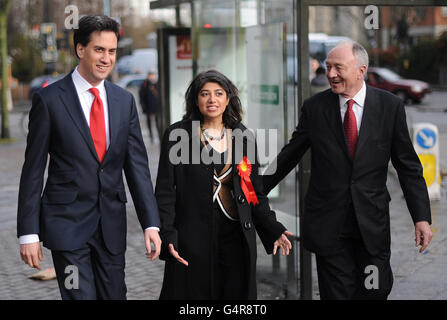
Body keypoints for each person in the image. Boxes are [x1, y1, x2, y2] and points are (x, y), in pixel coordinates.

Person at [263, 41, 433, 300]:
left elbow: (407, 166)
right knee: (337, 295)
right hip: (329, 226)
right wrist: (253, 187)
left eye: (337, 67)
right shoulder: (315, 108)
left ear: (360, 70)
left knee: (375, 290)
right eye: (328, 67)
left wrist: (421, 217)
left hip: (372, 225)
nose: (330, 74)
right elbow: (289, 155)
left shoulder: (390, 107)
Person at [17, 15, 161, 300]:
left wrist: (151, 223)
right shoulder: (50, 100)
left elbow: (137, 168)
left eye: (111, 51)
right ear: (80, 49)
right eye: (99, 50)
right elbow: (33, 170)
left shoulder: (124, 101)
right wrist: (28, 233)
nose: (106, 58)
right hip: (66, 227)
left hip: (111, 228)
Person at [155, 70, 292, 300]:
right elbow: (165, 192)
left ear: (228, 99)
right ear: (195, 100)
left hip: (235, 236)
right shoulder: (178, 135)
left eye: (219, 93)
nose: (212, 100)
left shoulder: (243, 136)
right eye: (204, 94)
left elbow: (253, 191)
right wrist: (168, 234)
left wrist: (272, 228)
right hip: (192, 237)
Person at [139, 71, 161, 143]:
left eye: (153, 75)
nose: (152, 77)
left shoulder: (157, 84)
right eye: (150, 75)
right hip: (148, 107)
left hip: (156, 106)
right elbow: (141, 96)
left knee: (157, 121)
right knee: (149, 122)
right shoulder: (145, 84)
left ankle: (159, 135)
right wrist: (143, 106)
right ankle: (151, 137)